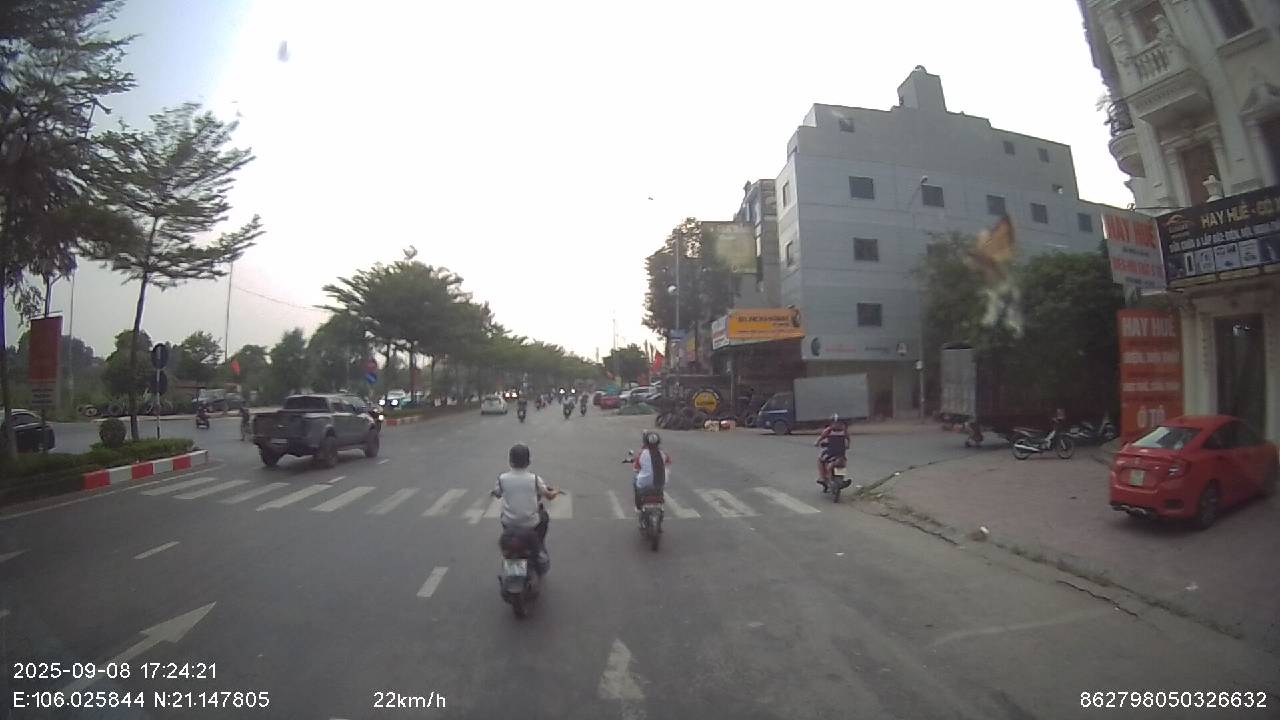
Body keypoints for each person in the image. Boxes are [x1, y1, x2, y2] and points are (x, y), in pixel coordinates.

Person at [492, 443, 561, 564]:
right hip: (531, 524)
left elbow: (497, 494)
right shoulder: (534, 479)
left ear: (510, 461)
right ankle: (540, 547)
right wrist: (556, 491)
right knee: (544, 517)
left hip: (509, 523)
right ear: (528, 462)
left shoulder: (502, 479)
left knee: (504, 517)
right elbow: (549, 496)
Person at [631, 431, 672, 510]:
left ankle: (638, 506)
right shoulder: (662, 453)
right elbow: (669, 461)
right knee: (663, 480)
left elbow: (636, 468)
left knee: (635, 481)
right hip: (660, 483)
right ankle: (660, 496)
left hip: (644, 483)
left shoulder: (642, 453)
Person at [815, 413, 849, 487]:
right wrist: (847, 445)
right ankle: (839, 480)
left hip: (831, 452)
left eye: (838, 423)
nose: (837, 424)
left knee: (820, 459)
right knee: (841, 462)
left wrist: (817, 443)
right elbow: (847, 439)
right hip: (839, 453)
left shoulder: (829, 430)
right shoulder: (843, 431)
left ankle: (823, 477)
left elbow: (821, 437)